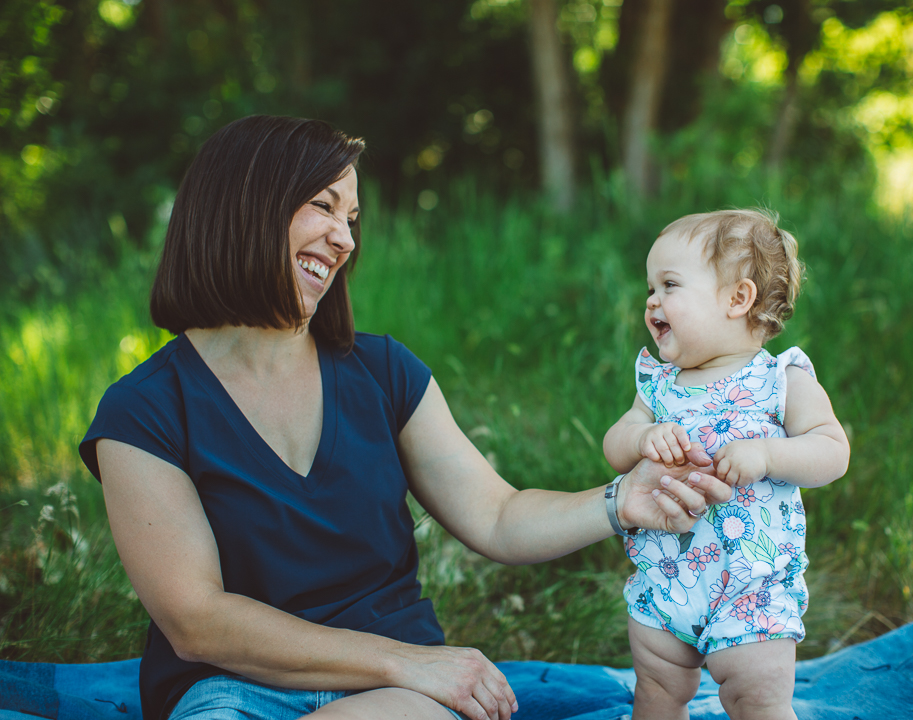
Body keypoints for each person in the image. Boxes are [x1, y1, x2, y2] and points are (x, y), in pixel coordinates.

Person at [77, 116, 733, 720]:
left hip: (394, 700)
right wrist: (410, 660)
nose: (344, 237)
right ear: (245, 207)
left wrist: (622, 499)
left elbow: (498, 517)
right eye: (324, 206)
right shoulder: (143, 411)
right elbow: (198, 621)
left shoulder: (384, 373)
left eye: (353, 217)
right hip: (232, 691)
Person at [602, 210, 850, 720]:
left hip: (750, 587)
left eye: (669, 284)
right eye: (649, 286)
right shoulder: (658, 385)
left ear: (737, 299)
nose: (651, 300)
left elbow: (833, 450)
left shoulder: (781, 381)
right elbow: (615, 444)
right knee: (654, 693)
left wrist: (768, 453)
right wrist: (643, 436)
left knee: (756, 700)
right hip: (665, 581)